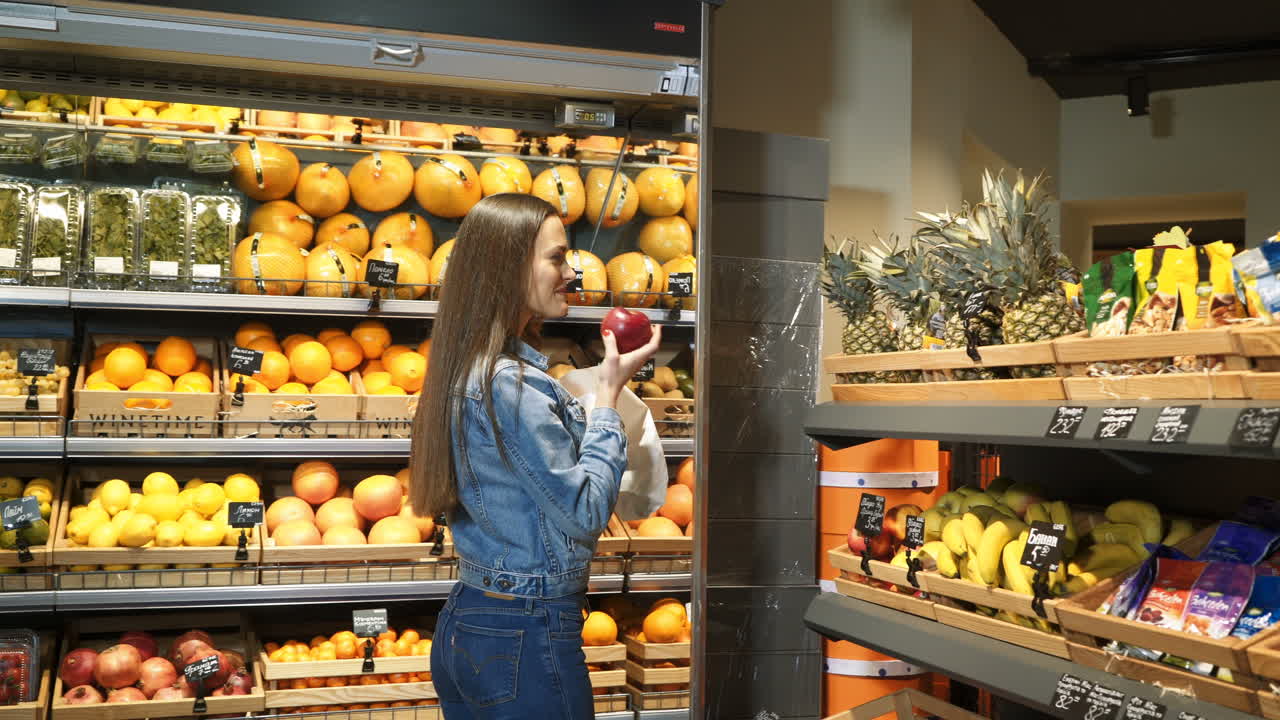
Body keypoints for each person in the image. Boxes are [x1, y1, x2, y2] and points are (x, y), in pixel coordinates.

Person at [410, 193, 661, 719]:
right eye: (556, 258)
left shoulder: (468, 366)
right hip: (525, 629)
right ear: (508, 268)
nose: (571, 271)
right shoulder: (509, 384)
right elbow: (587, 510)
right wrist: (609, 397)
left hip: (471, 619)